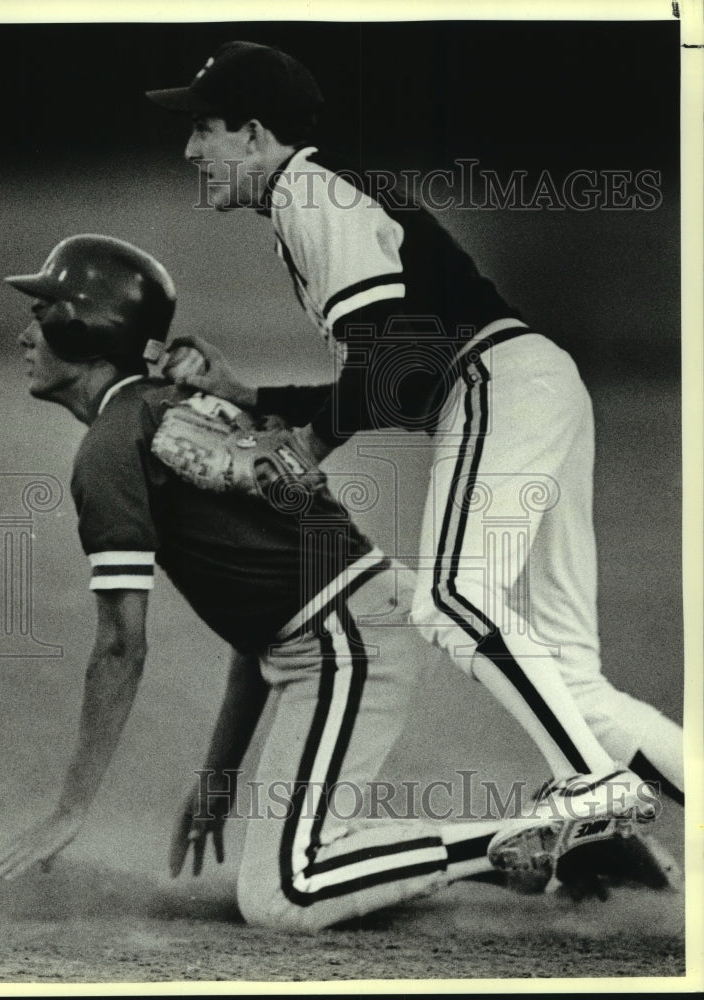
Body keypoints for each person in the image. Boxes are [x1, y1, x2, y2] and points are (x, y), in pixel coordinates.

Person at [0, 234, 667, 931]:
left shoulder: (112, 447)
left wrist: (69, 808)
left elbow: (120, 649)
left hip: (347, 639)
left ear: (83, 326)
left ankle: (530, 842)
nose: (25, 333)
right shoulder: (171, 411)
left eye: (43, 311)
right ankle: (552, 846)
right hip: (344, 632)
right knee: (285, 880)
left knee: (289, 892)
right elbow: (258, 624)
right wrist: (221, 775)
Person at [145, 40, 684, 811]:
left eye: (204, 127)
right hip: (524, 386)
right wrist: (257, 395)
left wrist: (310, 442)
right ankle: (600, 769)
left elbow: (398, 360)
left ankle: (593, 784)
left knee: (454, 601)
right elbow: (396, 377)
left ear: (256, 134)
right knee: (568, 679)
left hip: (498, 386)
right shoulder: (312, 199)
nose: (190, 148)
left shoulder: (310, 195)